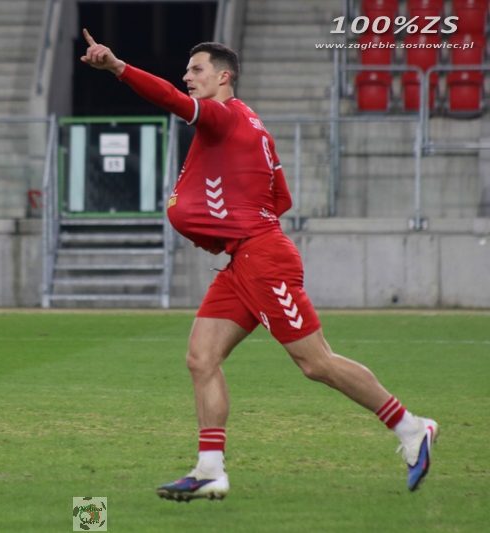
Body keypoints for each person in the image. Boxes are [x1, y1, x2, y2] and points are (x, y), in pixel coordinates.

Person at [80, 29, 439, 501]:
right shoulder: (250, 123)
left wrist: (117, 67)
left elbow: (170, 99)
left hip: (261, 258)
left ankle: (411, 427)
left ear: (223, 77)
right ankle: (210, 470)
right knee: (201, 358)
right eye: (187, 70)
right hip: (243, 257)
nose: (187, 77)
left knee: (315, 362)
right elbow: (280, 196)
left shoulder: (224, 116)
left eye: (196, 69)